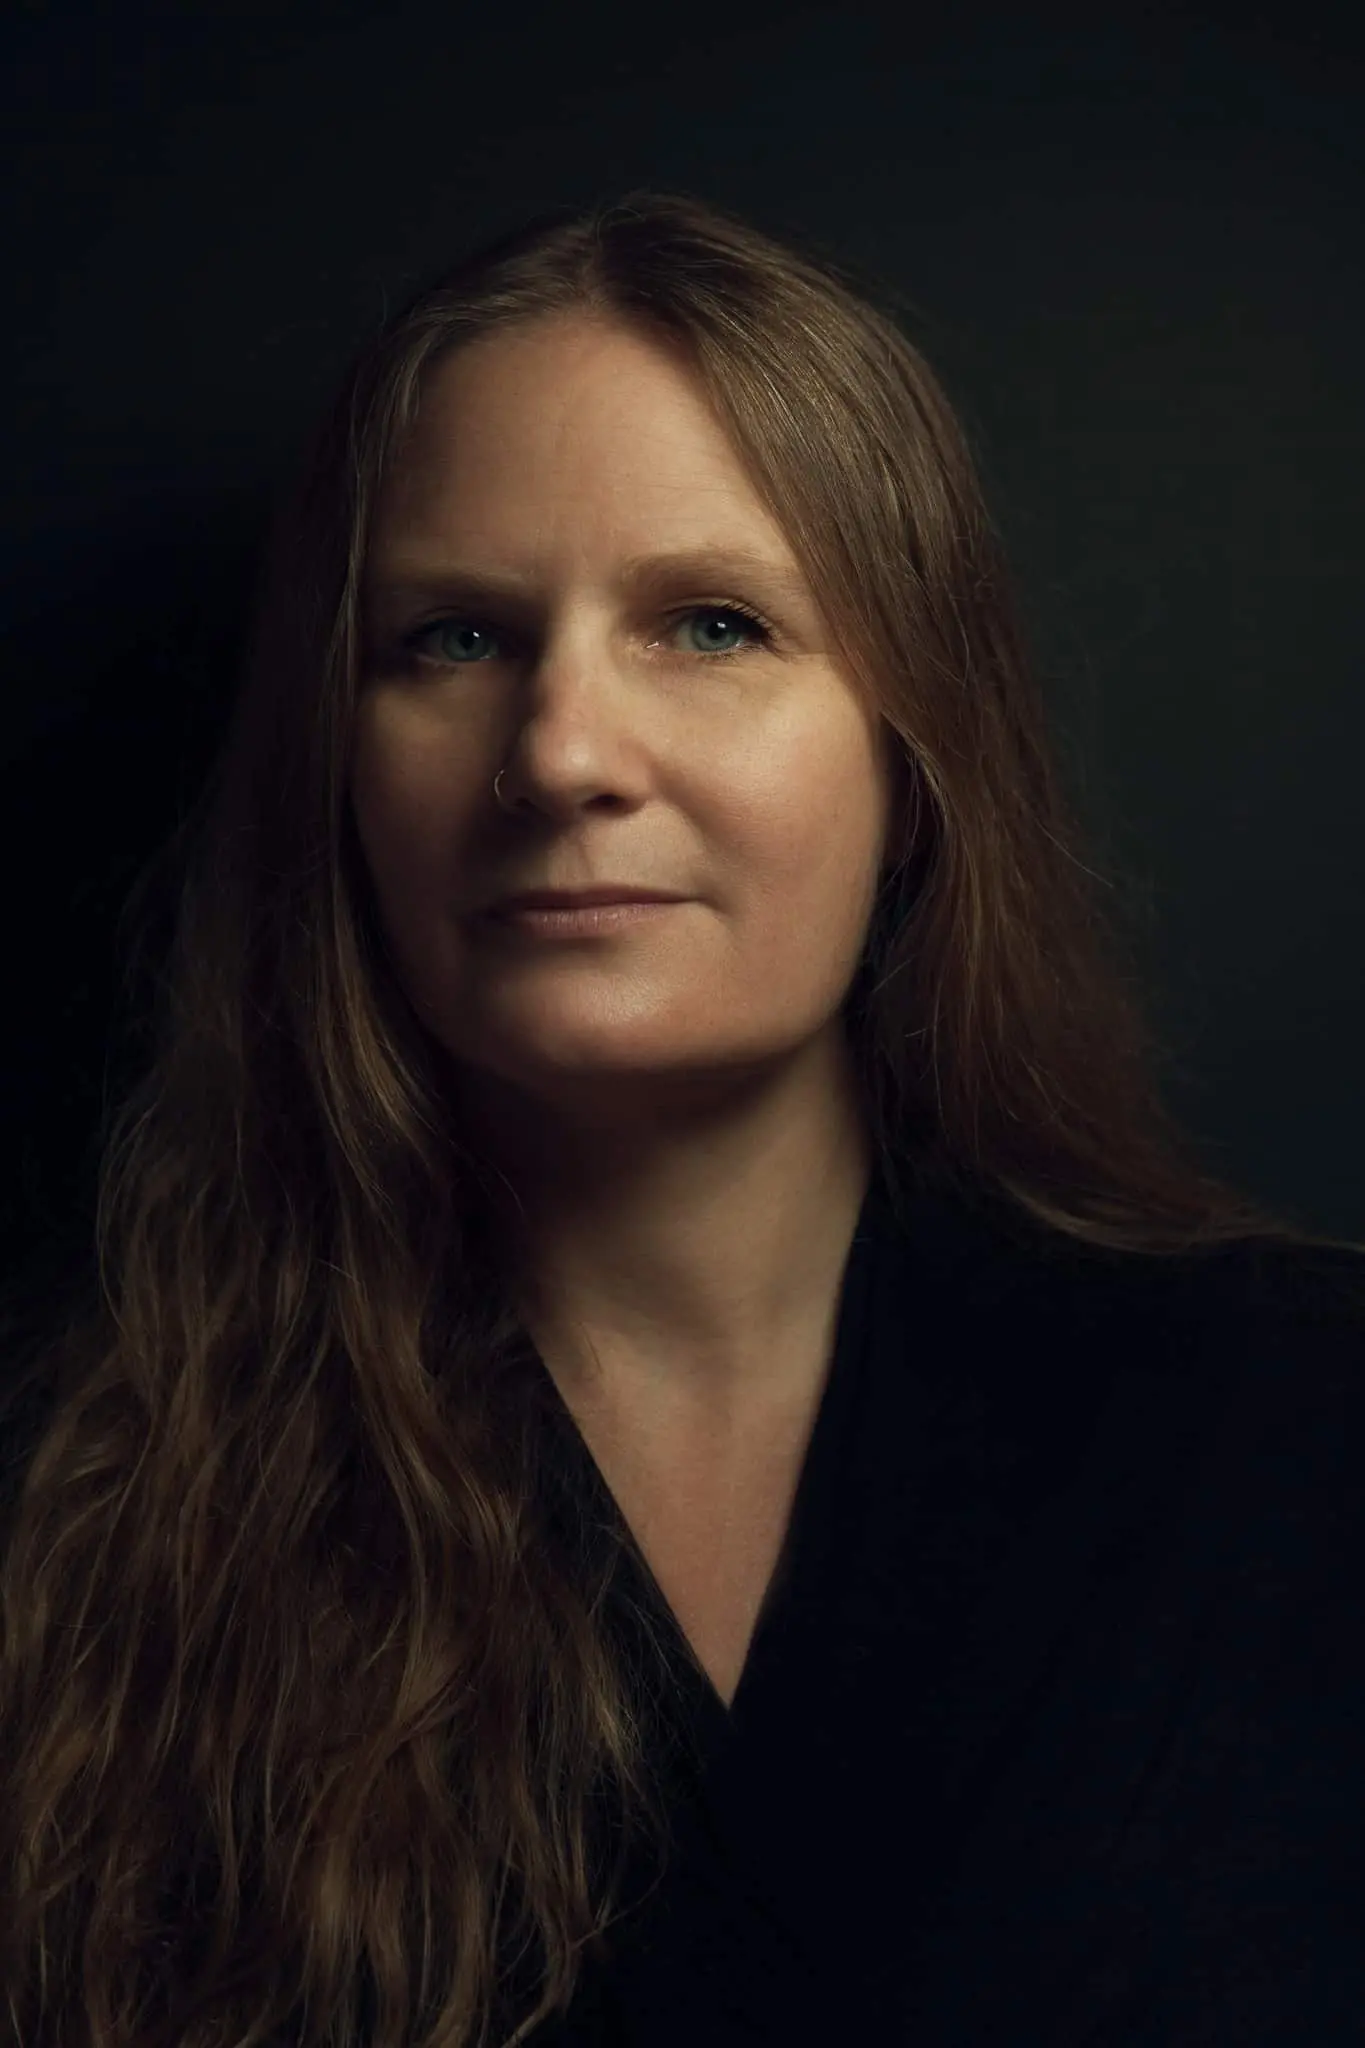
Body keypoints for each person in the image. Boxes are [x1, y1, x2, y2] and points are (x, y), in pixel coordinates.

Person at [2, 188, 1362, 2048]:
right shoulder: (79, 1533)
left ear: (914, 753)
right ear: (335, 765)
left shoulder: (1304, 1421)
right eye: (453, 641)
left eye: (711, 625)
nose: (564, 751)